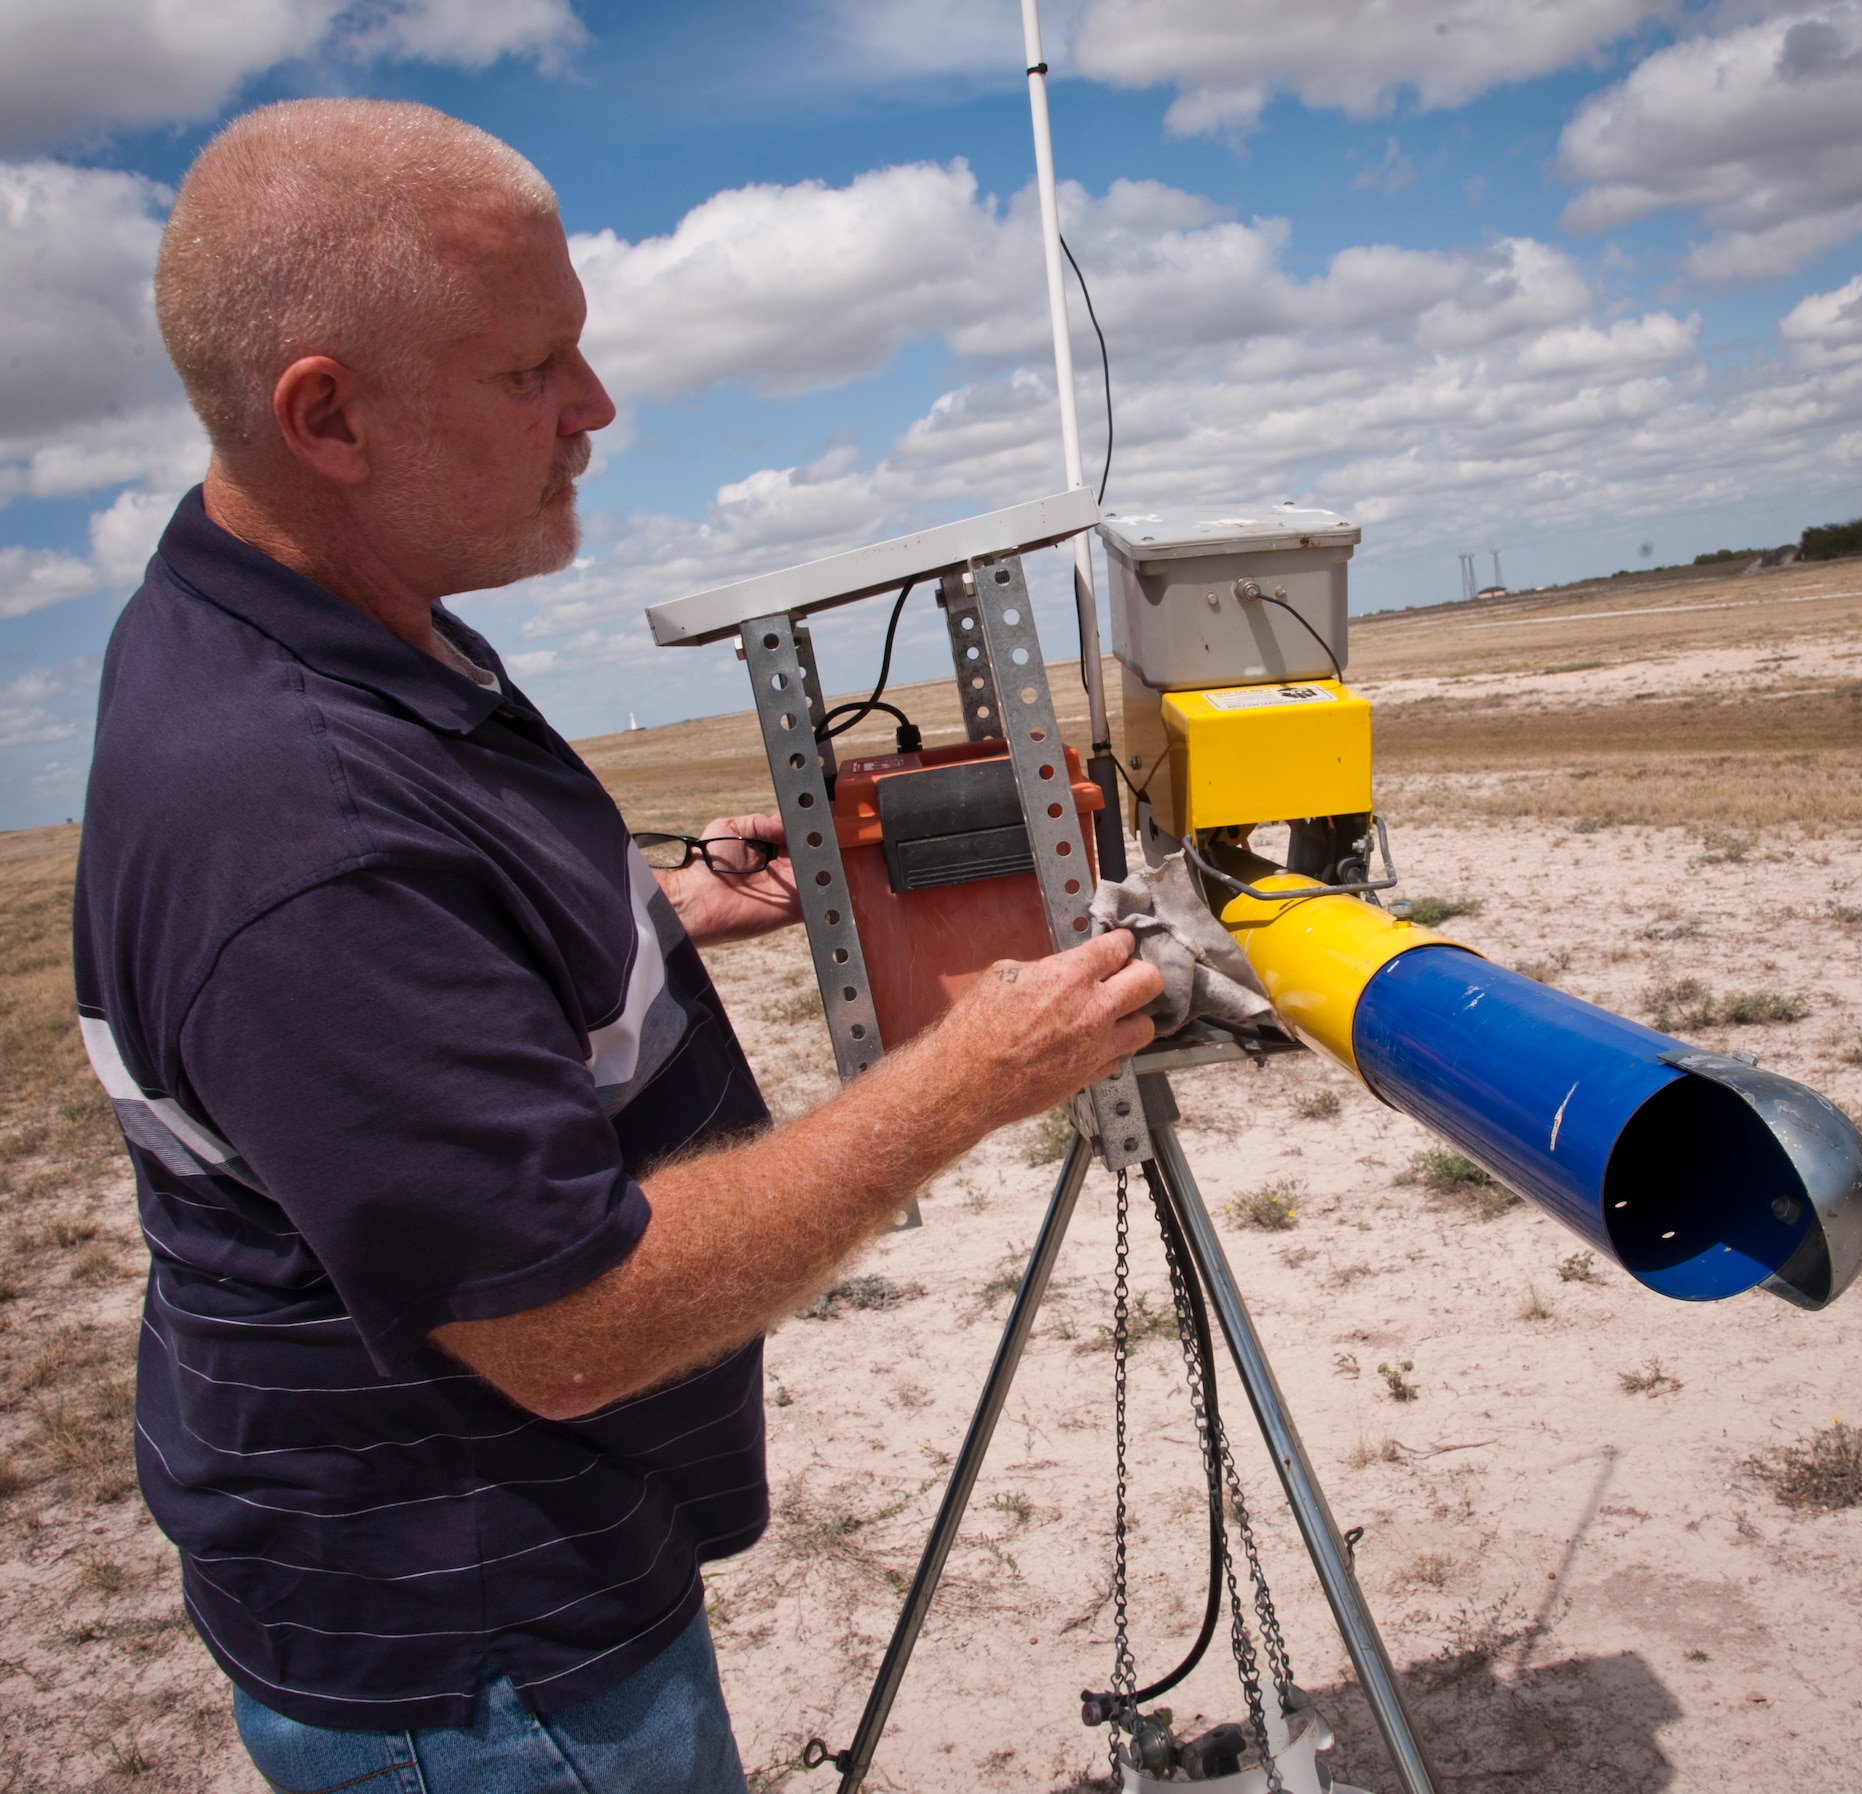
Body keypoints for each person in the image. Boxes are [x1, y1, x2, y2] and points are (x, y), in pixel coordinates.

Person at [72, 99, 1161, 1793]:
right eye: (532, 373)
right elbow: (571, 1321)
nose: (593, 411)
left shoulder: (352, 634)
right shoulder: (297, 818)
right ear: (328, 415)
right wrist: (969, 1079)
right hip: (488, 1674)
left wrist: (656, 919)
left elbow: (412, 1014)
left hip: (500, 1598)